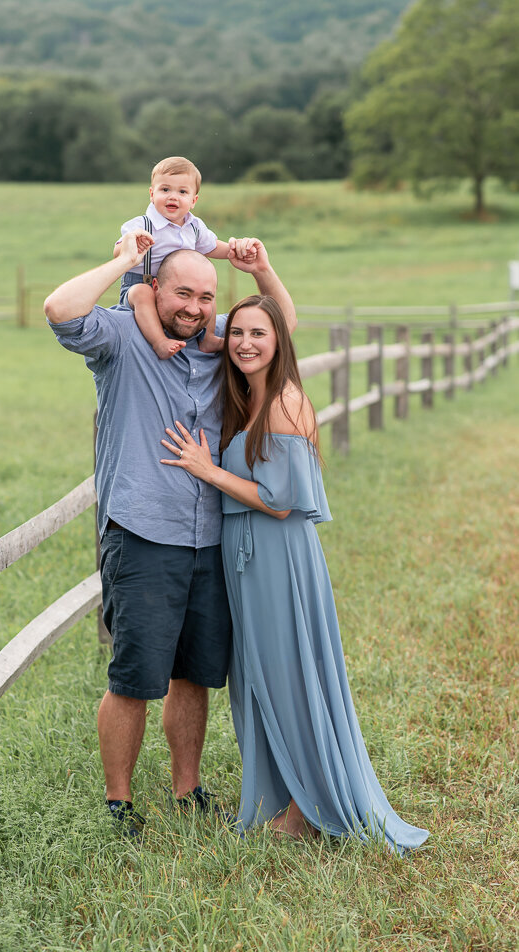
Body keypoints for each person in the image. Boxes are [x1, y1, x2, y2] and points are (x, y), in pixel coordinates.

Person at [43, 230, 297, 838]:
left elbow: (278, 329)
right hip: (142, 533)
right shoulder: (120, 338)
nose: (194, 307)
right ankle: (118, 803)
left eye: (206, 297)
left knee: (195, 672)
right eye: (182, 293)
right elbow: (58, 309)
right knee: (134, 676)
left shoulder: (216, 350)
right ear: (153, 290)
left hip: (211, 536)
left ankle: (188, 790)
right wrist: (125, 261)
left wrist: (262, 271)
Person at [160, 289, 430, 854]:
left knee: (288, 678)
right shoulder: (246, 399)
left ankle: (311, 806)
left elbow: (280, 501)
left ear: (280, 339)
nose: (244, 343)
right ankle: (283, 795)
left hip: (279, 558)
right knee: (256, 679)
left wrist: (208, 471)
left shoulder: (284, 402)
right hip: (245, 557)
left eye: (259, 333)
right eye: (237, 333)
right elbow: (201, 332)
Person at [115, 155, 237, 359]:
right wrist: (132, 246)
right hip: (142, 284)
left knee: (205, 291)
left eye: (182, 192)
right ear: (152, 194)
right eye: (165, 190)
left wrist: (233, 251)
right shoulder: (142, 224)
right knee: (141, 293)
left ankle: (208, 340)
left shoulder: (194, 226)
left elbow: (212, 247)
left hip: (181, 290)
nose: (173, 196)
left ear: (193, 200)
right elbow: (118, 252)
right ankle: (159, 342)